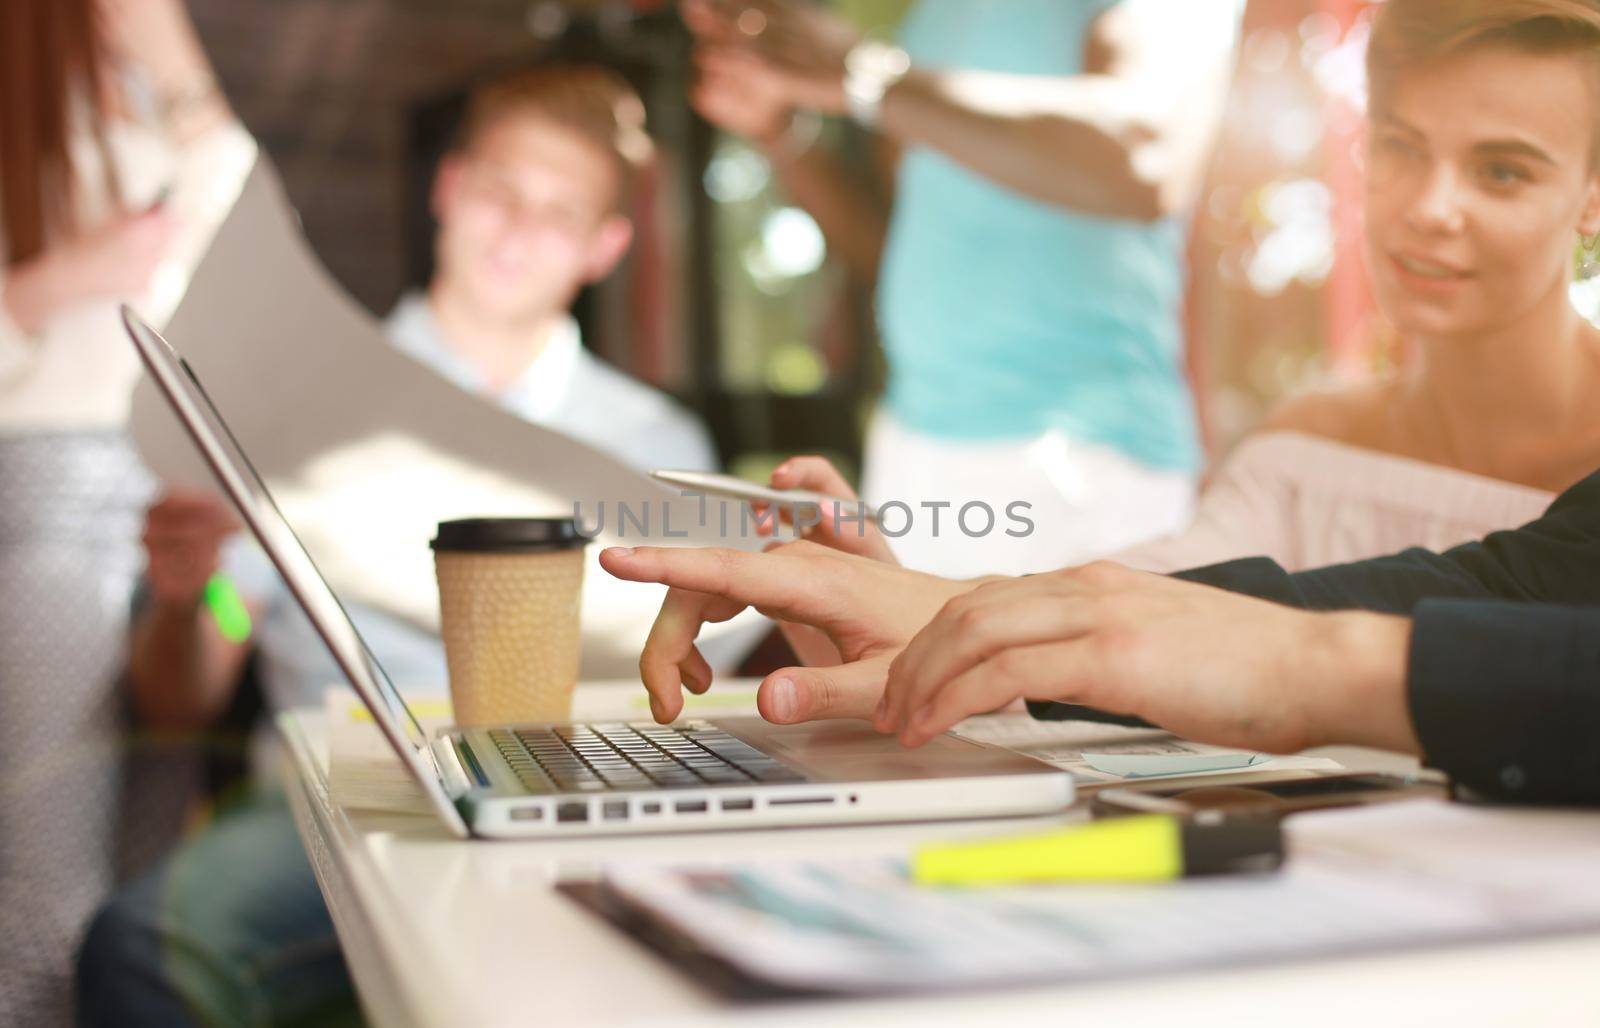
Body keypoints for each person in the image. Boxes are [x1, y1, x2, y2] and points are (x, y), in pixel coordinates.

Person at [78, 65, 716, 1027]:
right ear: (450, 188)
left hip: (577, 799)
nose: (517, 228)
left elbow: (687, 689)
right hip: (336, 801)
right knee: (139, 948)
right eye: (500, 191)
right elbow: (187, 689)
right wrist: (192, 591)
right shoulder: (297, 409)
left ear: (605, 245)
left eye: (559, 209)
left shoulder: (660, 452)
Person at [756, 0, 1600, 589]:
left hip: (1068, 441)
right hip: (923, 437)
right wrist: (865, 586)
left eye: (1501, 171)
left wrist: (865, 77)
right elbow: (1145, 611)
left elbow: (1145, 157)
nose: (1430, 210)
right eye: (1401, 149)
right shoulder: (1301, 455)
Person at [684, 0, 1243, 577]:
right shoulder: (933, 18)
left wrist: (868, 76)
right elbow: (895, 247)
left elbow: (1145, 155)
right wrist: (778, 132)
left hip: (1083, 455)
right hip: (917, 447)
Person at [0, 0, 251, 1021]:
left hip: (171, 497)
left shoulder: (144, 95)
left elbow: (238, 213)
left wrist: (169, 52)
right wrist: (53, 282)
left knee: (148, 878)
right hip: (47, 496)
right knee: (48, 894)